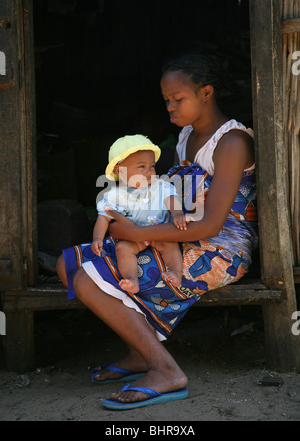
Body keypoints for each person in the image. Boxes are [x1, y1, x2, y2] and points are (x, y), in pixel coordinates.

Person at [56, 53, 257, 410]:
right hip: (176, 237)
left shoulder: (232, 142)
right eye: (166, 100)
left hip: (219, 250)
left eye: (178, 99)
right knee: (68, 264)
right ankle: (140, 352)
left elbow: (211, 224)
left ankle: (166, 371)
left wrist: (135, 232)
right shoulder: (184, 138)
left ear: (206, 92)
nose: (170, 107)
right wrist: (126, 218)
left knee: (87, 279)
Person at [92, 134, 186, 293]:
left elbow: (171, 200)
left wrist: (177, 214)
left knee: (171, 245)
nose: (149, 171)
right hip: (133, 240)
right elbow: (103, 218)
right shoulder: (115, 195)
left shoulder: (160, 186)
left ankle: (176, 272)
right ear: (119, 170)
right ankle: (131, 279)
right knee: (122, 248)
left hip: (160, 233)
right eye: (142, 167)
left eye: (152, 166)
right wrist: (97, 238)